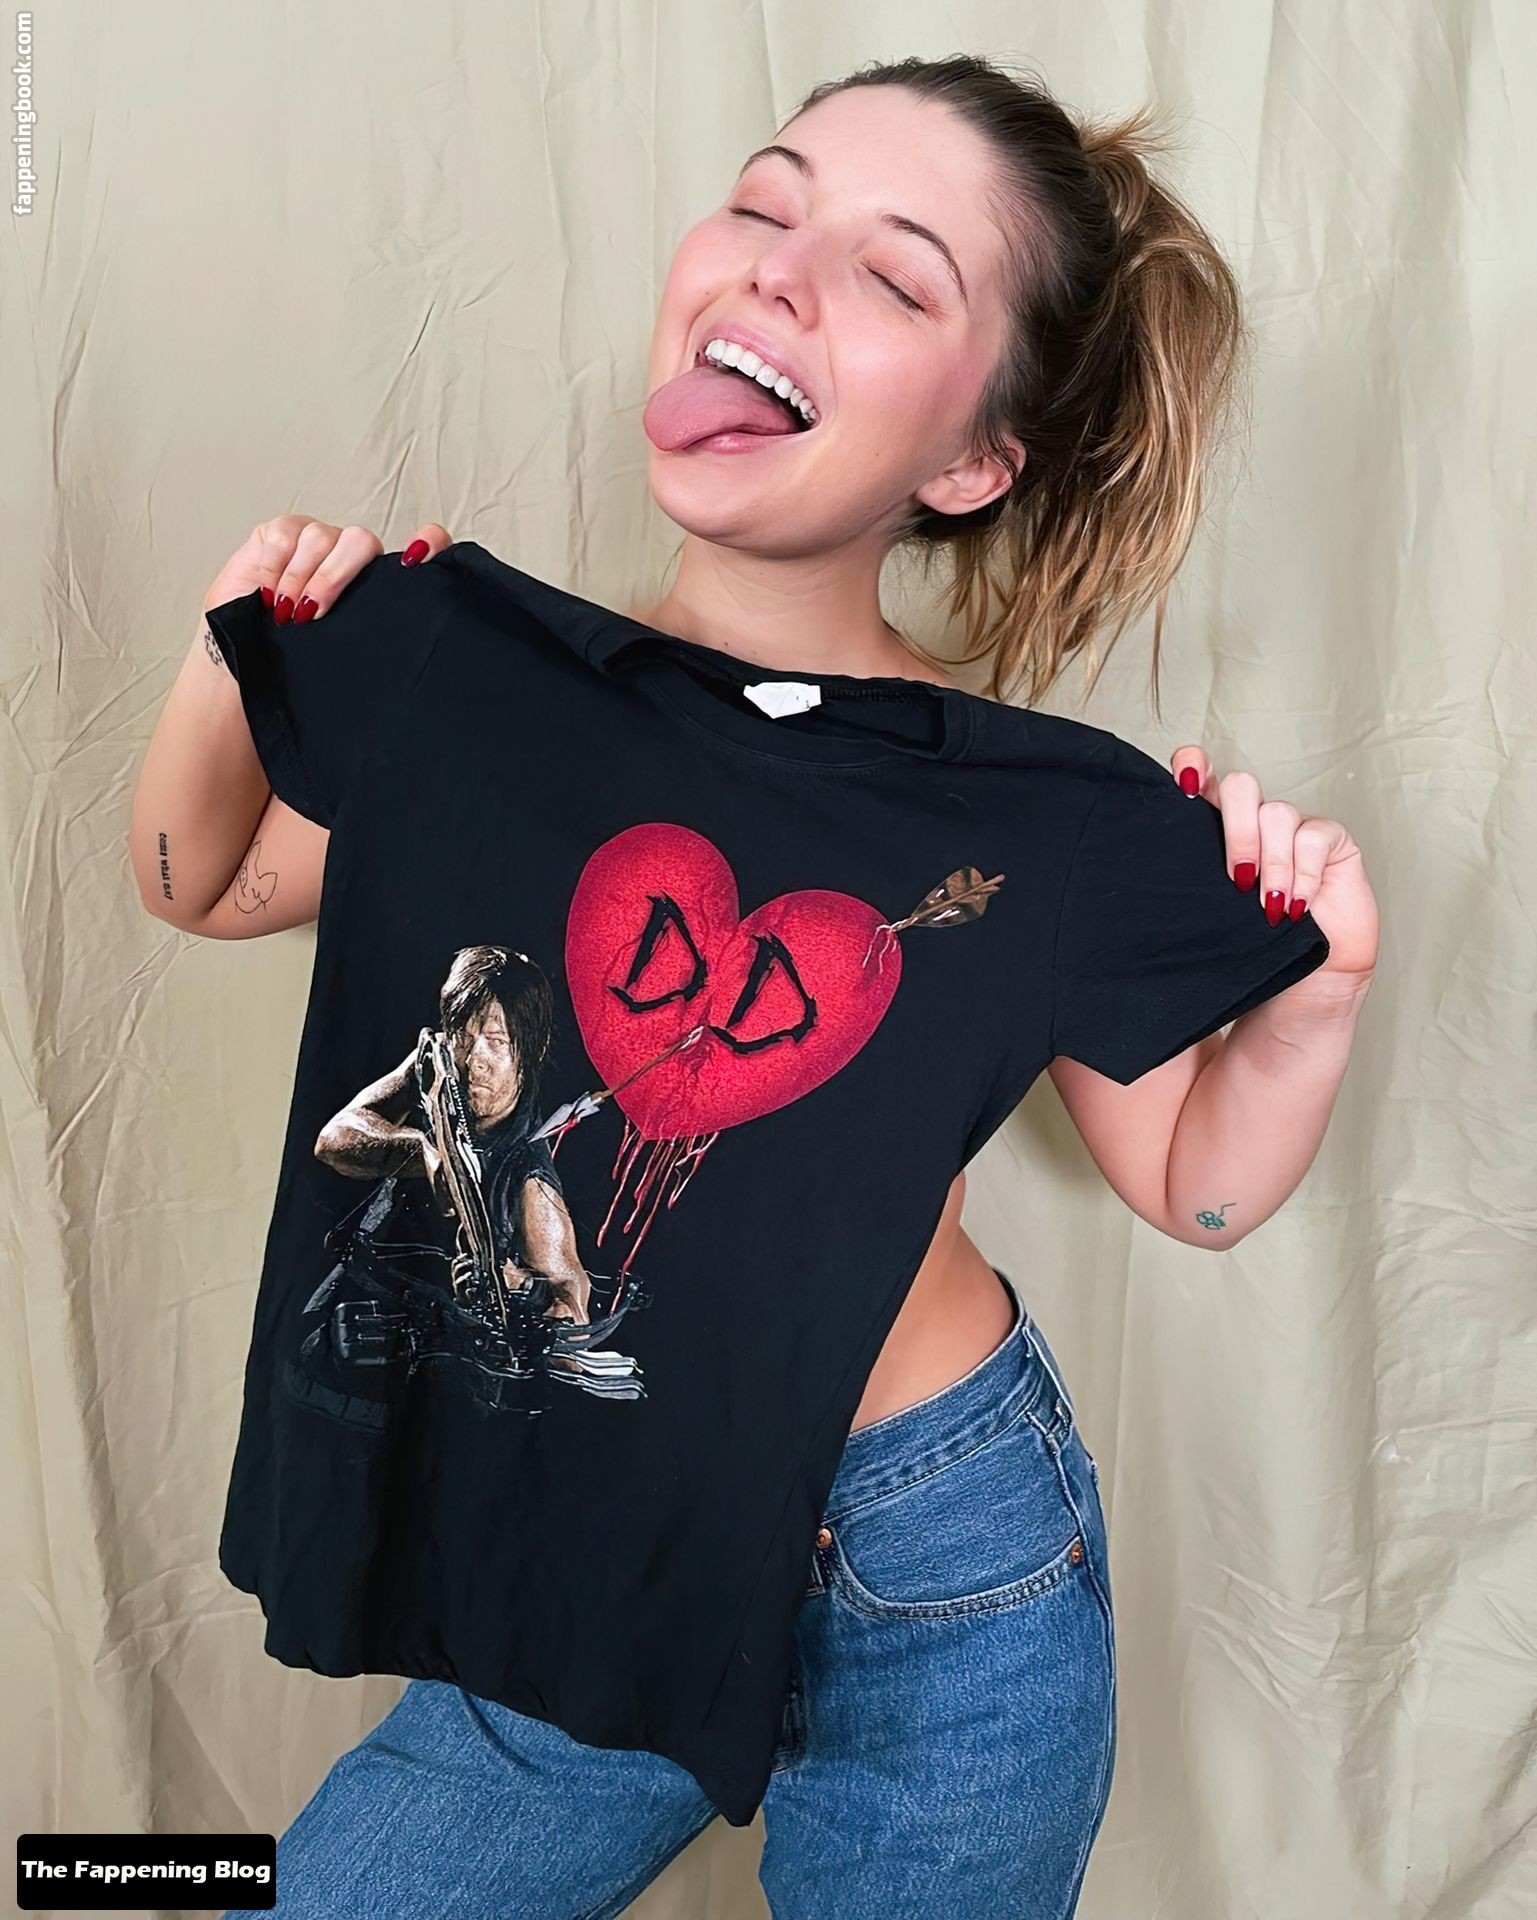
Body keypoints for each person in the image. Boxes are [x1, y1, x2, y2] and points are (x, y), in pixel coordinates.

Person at [131, 54, 1378, 1919]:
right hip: (594, 1531)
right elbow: (204, 881)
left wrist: (1312, 997)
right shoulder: (470, 693)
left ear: (971, 462)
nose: (780, 268)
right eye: (764, 201)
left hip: (936, 1565)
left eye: (892, 274)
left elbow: (1195, 1188)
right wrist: (237, 648)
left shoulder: (1038, 817)